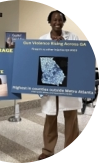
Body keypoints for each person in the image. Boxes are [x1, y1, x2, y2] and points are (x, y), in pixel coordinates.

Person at [38, 10, 82, 161]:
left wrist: (65, 45)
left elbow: (79, 58)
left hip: (69, 85)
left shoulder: (72, 37)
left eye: (60, 20)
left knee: (71, 119)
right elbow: (38, 63)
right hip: (50, 85)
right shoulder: (42, 39)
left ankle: (70, 149)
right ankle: (48, 151)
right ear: (49, 22)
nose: (57, 22)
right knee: (50, 119)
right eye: (54, 20)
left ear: (64, 21)